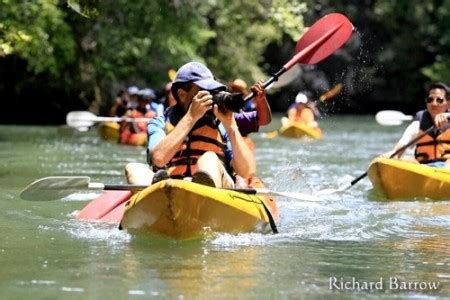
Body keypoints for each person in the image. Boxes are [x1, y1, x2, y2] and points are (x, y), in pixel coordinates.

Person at [126, 62, 255, 188]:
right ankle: (161, 196)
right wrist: (191, 117)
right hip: (173, 190)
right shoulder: (159, 122)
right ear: (182, 95)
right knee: (134, 168)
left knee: (209, 158)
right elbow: (158, 159)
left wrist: (231, 127)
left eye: (212, 92)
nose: (210, 97)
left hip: (217, 192)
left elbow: (246, 172)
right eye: (204, 92)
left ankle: (201, 194)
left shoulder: (221, 123)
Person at [386, 82, 450, 167]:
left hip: (446, 169)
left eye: (439, 100)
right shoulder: (416, 125)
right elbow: (400, 147)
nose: (434, 104)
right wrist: (390, 157)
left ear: (448, 104)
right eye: (430, 100)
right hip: (424, 168)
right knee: (402, 159)